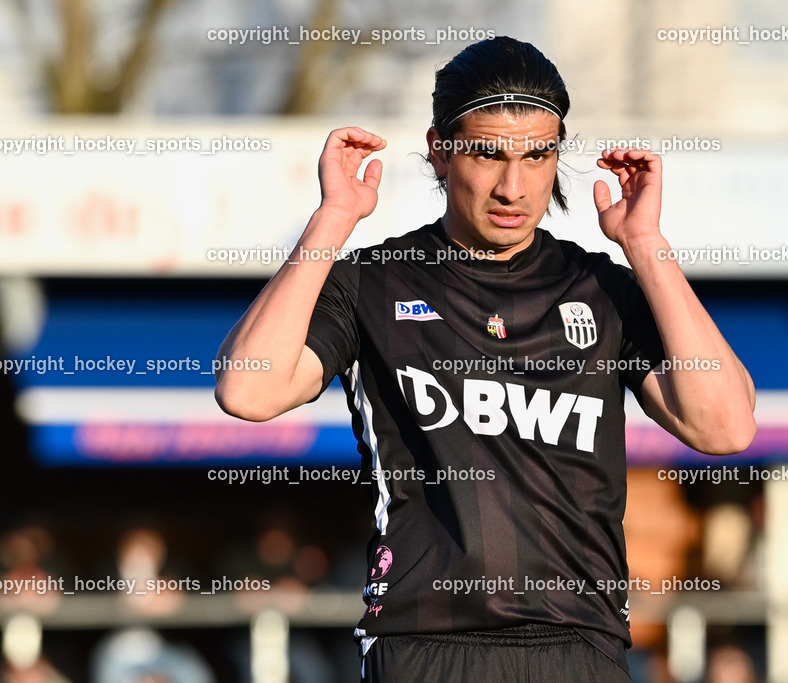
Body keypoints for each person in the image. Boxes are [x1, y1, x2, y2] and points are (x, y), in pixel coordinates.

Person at [215, 36, 756, 682]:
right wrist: (333, 219)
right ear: (440, 151)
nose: (513, 185)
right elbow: (248, 390)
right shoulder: (376, 282)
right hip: (424, 643)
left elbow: (725, 425)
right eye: (488, 154)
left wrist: (647, 245)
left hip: (579, 644)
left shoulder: (601, 289)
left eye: (537, 156)